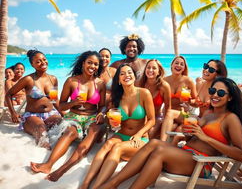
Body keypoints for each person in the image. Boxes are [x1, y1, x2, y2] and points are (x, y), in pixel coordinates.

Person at [100, 77, 242, 189]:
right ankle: (114, 183)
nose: (215, 95)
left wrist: (205, 137)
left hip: (201, 164)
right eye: (213, 90)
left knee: (159, 151)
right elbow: (194, 137)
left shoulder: (231, 119)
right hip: (185, 155)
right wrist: (188, 134)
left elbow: (241, 155)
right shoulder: (208, 113)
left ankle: (117, 185)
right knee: (154, 143)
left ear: (230, 97)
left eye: (221, 93)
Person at [30, 51, 107, 182]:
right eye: (89, 62)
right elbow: (61, 106)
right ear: (83, 63)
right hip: (74, 116)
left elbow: (103, 106)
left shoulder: (100, 83)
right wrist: (74, 102)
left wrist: (101, 113)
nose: (92, 66)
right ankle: (48, 165)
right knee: (70, 132)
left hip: (92, 117)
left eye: (96, 64)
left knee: (95, 131)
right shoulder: (71, 81)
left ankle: (63, 169)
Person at [79, 63, 155, 189]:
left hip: (139, 139)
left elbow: (152, 120)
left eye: (129, 72)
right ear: (118, 80)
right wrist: (107, 119)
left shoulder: (144, 93)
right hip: (121, 134)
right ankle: (85, 183)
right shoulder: (117, 98)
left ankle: (97, 187)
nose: (126, 75)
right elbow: (112, 124)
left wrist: (138, 134)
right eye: (122, 74)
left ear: (134, 76)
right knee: (107, 144)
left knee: (117, 148)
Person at [5, 50, 62, 149]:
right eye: (38, 61)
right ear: (32, 64)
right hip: (32, 116)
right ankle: (47, 153)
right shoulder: (28, 79)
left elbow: (54, 99)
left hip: (50, 114)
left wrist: (63, 113)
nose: (43, 63)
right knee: (41, 131)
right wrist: (13, 113)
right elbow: (8, 94)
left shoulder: (53, 79)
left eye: (44, 59)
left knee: (63, 124)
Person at [160, 56, 197, 141]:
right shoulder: (164, 81)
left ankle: (162, 143)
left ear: (184, 68)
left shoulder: (188, 81)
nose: (179, 65)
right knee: (174, 128)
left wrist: (189, 101)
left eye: (182, 64)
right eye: (176, 63)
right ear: (172, 65)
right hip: (167, 116)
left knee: (172, 119)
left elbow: (196, 103)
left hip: (183, 114)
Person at [139, 59, 171, 139]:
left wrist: (165, 122)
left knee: (148, 134)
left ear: (159, 72)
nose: (150, 70)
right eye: (148, 67)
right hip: (141, 117)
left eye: (154, 68)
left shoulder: (164, 86)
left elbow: (168, 107)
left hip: (156, 117)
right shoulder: (139, 83)